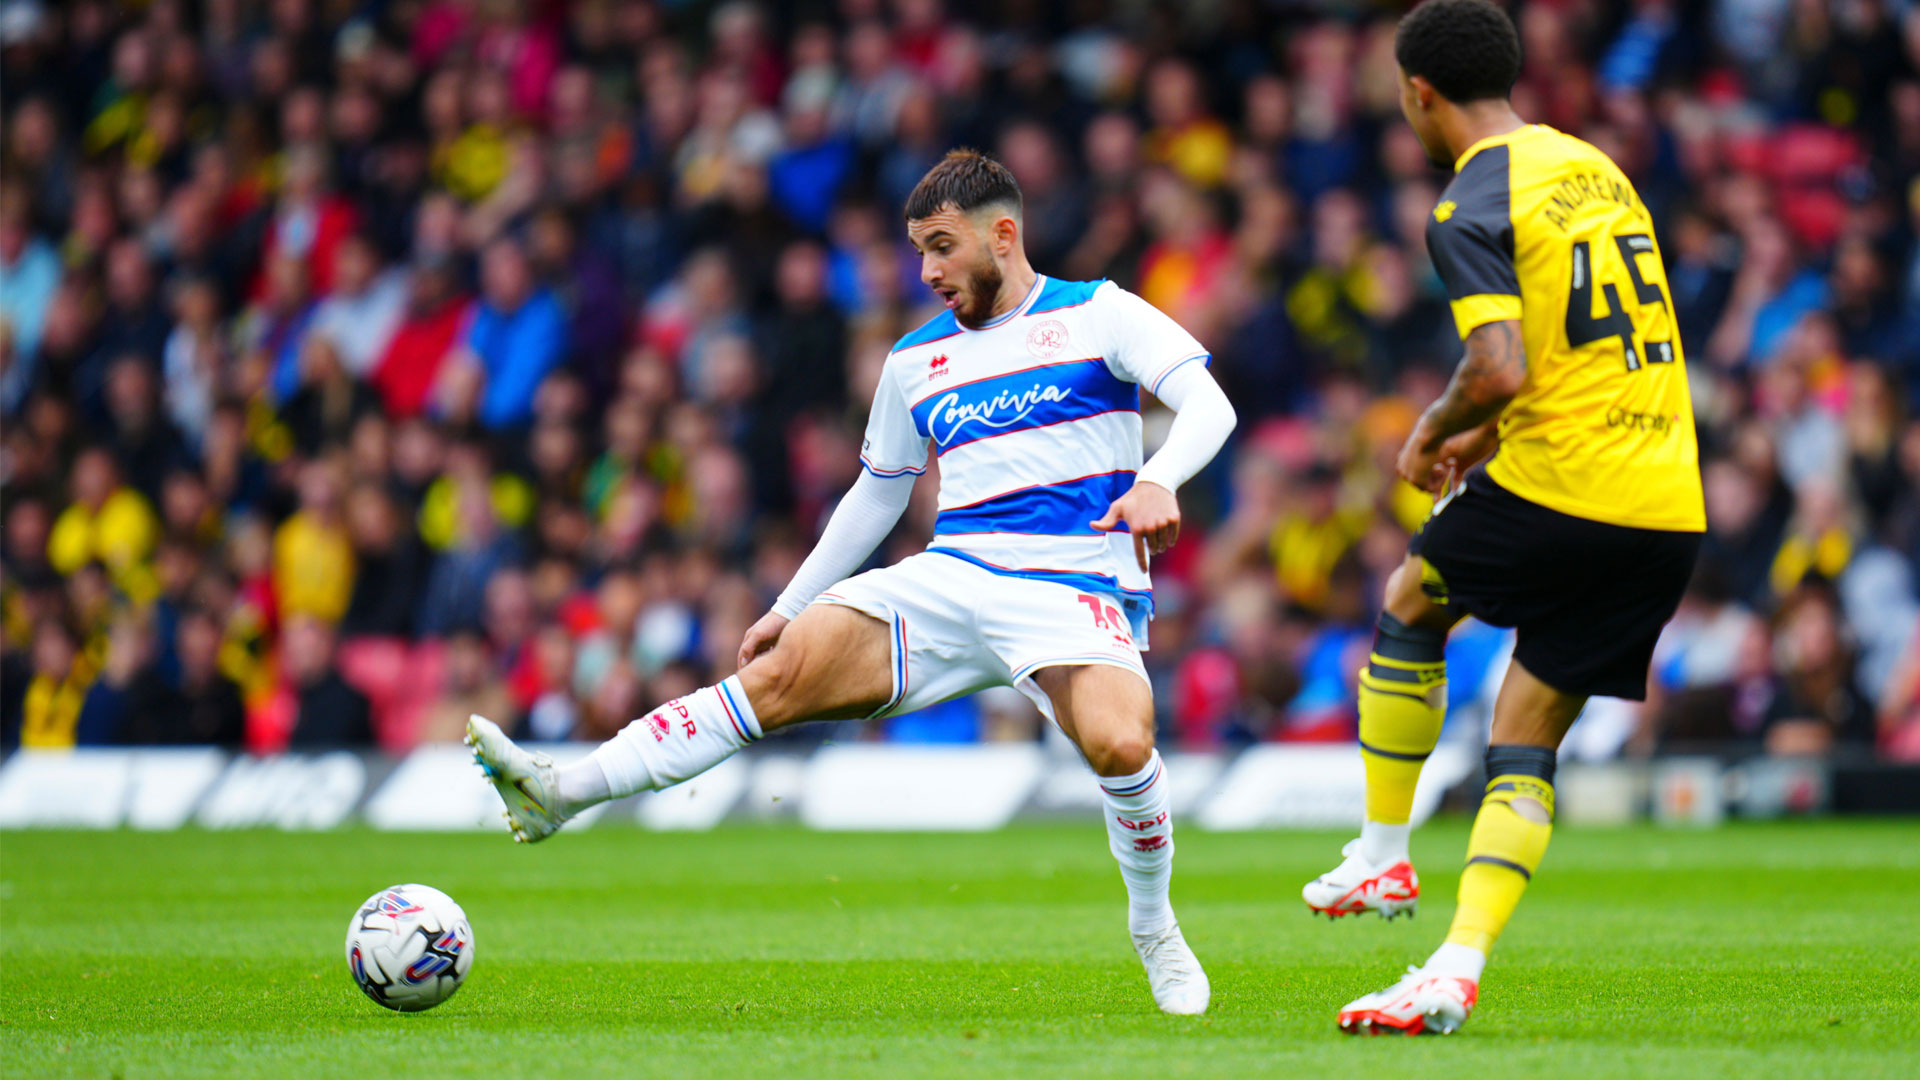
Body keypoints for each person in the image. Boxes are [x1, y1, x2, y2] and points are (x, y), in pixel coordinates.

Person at [468, 149, 1237, 1015]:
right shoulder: (915, 360)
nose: (929, 272)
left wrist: (1159, 478)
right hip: (952, 575)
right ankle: (557, 792)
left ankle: (1152, 929)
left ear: (1004, 234)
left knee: (1122, 748)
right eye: (919, 252)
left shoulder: (1100, 313)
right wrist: (787, 607)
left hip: (1070, 582)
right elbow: (876, 495)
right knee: (774, 676)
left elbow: (1210, 404)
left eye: (942, 247)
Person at [1302, 0, 1705, 1035]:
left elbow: (1498, 364)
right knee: (1524, 737)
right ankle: (1455, 965)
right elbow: (1581, 345)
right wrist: (1495, 424)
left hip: (1566, 484)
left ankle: (1384, 858)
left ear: (1416, 91)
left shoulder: (1465, 205)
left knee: (1409, 599)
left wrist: (1435, 431)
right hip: (1664, 500)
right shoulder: (1592, 168)